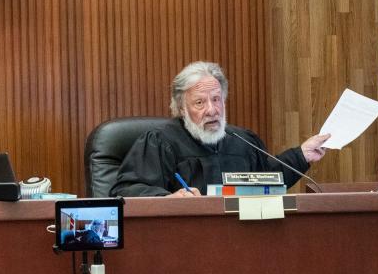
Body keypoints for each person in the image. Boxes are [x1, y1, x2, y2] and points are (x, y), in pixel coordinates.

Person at [111, 61, 330, 197]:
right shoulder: (160, 141)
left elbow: (268, 180)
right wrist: (168, 198)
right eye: (200, 103)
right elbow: (127, 189)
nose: (212, 110)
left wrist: (301, 155)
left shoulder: (242, 140)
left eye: (216, 99)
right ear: (181, 108)